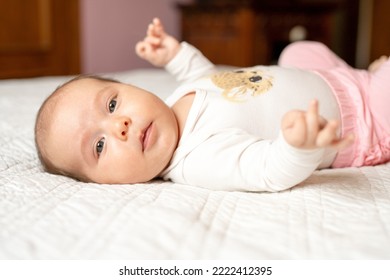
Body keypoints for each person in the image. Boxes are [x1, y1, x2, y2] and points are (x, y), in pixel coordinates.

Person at [34, 18, 390, 192]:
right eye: (99, 146)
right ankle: (375, 78)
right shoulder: (197, 161)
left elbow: (208, 77)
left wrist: (174, 55)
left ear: (131, 87)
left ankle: (360, 72)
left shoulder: (175, 102)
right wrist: (297, 147)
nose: (119, 125)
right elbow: (266, 171)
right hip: (363, 118)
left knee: (296, 51)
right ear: (103, 184)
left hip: (328, 79)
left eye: (112, 105)